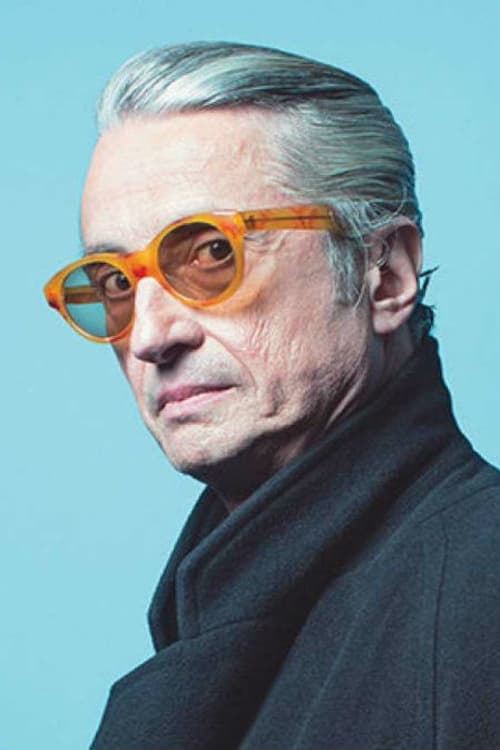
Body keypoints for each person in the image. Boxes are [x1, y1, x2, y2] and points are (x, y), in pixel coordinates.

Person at [44, 42, 500, 750]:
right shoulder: (216, 608)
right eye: (114, 283)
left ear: (386, 274)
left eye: (211, 253)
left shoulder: (482, 592)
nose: (150, 337)